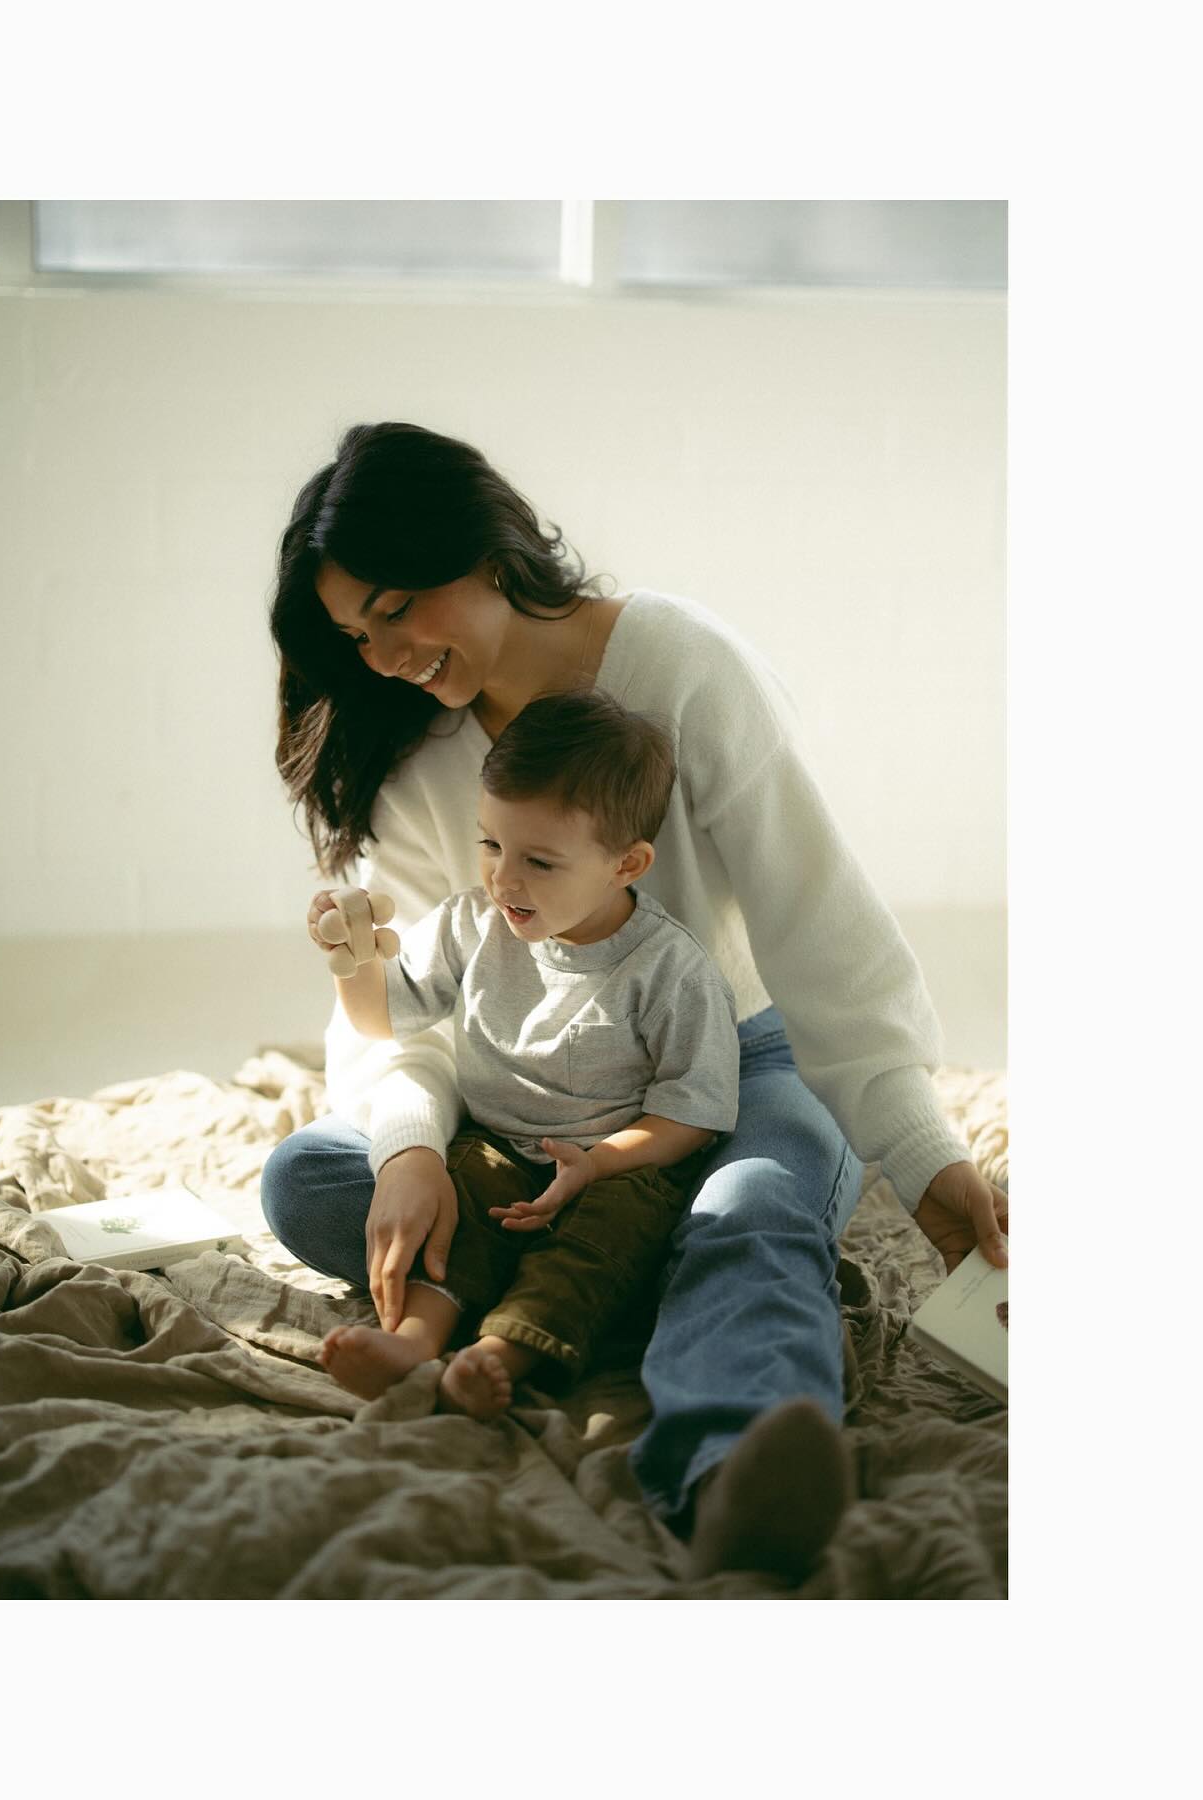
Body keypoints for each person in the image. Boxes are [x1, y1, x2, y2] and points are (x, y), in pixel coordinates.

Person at [262, 421, 1009, 1582]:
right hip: (523, 1098)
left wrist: (915, 1146)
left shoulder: (678, 664)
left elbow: (818, 921)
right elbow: (413, 1011)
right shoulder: (417, 764)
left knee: (751, 1207)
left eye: (399, 607)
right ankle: (633, 1269)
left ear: (485, 550)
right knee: (312, 1179)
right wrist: (411, 1145)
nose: (384, 654)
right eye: (358, 634)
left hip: (732, 1067)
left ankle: (728, 1469)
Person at [309, 689, 739, 1423]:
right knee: (458, 1207)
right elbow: (387, 1019)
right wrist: (352, 963)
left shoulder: (669, 969)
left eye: (539, 861)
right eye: (490, 845)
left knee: (603, 1239)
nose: (504, 879)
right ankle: (415, 1340)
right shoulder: (471, 925)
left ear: (626, 864)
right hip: (495, 1148)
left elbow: (691, 1115)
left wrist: (596, 1163)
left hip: (617, 1166)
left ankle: (500, 1356)